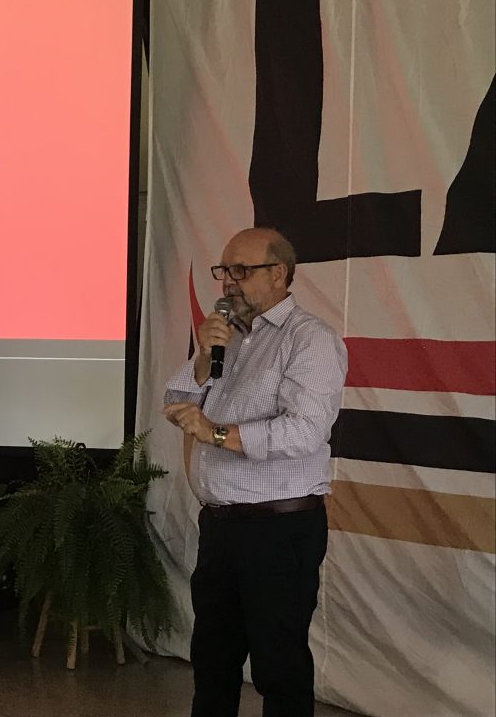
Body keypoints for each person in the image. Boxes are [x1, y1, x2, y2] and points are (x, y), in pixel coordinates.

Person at [163, 227, 348, 717]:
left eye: (241, 271)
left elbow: (304, 432)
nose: (228, 282)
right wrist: (203, 358)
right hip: (221, 527)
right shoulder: (229, 338)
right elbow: (177, 405)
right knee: (212, 662)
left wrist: (217, 433)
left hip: (278, 530)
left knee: (278, 668)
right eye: (224, 270)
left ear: (279, 274)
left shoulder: (309, 339)